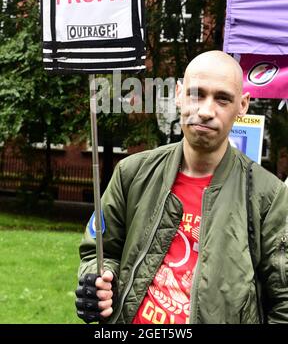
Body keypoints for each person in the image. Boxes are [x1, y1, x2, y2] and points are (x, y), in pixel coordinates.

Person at [75, 50, 288, 324]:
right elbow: (99, 251)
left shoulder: (268, 196)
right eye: (196, 94)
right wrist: (97, 284)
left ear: (243, 105)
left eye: (222, 99)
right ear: (178, 94)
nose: (206, 110)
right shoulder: (132, 173)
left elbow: (283, 300)